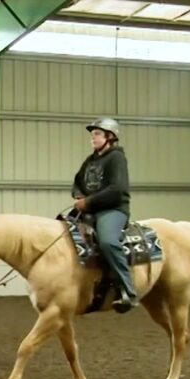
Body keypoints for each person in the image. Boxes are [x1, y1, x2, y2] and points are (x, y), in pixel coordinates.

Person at [71, 118, 137, 314]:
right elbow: (77, 181)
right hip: (91, 209)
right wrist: (79, 195)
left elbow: (117, 189)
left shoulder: (116, 158)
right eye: (92, 134)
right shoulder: (90, 160)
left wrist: (88, 202)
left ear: (110, 137)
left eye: (97, 134)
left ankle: (128, 290)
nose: (93, 137)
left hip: (113, 209)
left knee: (107, 242)